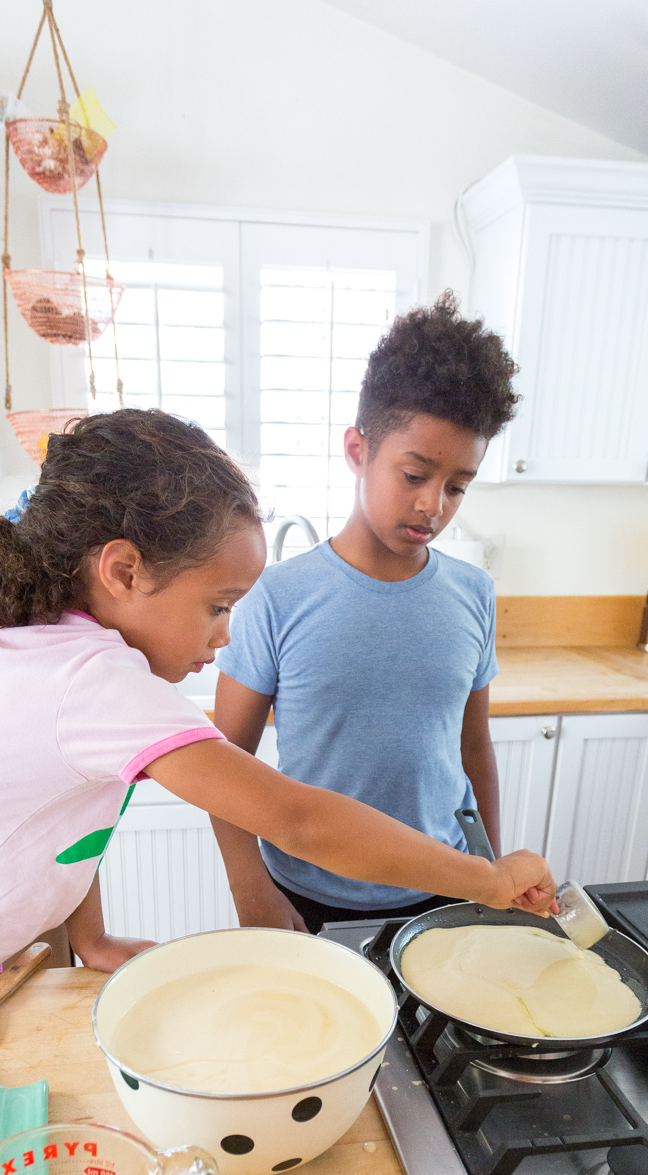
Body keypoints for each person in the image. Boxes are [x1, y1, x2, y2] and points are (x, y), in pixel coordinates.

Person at [0, 408, 553, 992]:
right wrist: (486, 879)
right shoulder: (92, 681)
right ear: (124, 570)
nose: (224, 637)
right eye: (217, 605)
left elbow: (69, 805)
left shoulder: (42, 632)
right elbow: (298, 818)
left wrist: (95, 937)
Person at [212, 292, 518, 935]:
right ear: (358, 450)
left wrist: (490, 874)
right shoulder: (277, 596)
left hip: (443, 887)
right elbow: (225, 762)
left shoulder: (474, 594)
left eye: (457, 485)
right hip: (305, 893)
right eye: (414, 475)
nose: (434, 505)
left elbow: (473, 745)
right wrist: (251, 890)